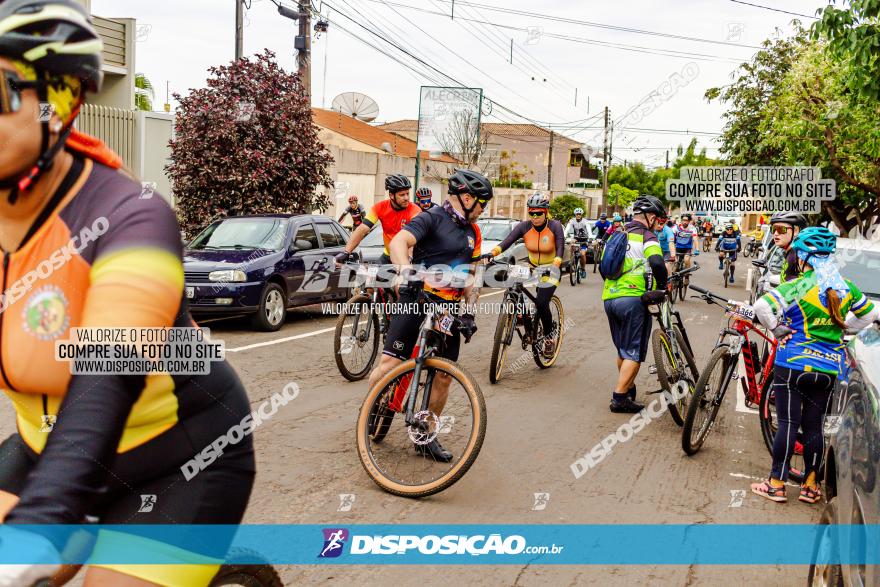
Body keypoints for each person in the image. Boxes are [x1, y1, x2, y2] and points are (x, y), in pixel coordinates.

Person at [0, 2, 256, 585]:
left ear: (57, 104)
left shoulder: (130, 216)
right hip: (45, 449)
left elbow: (110, 368)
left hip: (178, 458)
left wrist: (41, 524)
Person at [368, 169, 492, 462]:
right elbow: (399, 243)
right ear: (466, 197)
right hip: (417, 296)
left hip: (447, 308)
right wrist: (403, 273)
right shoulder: (432, 217)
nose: (483, 210)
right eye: (481, 203)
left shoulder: (473, 232)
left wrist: (470, 313)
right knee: (388, 365)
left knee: (444, 377)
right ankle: (372, 408)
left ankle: (425, 435)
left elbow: (472, 276)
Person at [751, 227, 878, 504]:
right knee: (814, 426)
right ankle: (810, 487)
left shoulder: (799, 285)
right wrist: (845, 331)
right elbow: (871, 315)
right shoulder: (845, 287)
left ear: (804, 257)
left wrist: (777, 329)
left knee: (786, 422)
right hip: (829, 367)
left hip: (794, 363)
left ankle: (776, 484)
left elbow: (762, 307)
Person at [601, 195, 669, 413]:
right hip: (633, 299)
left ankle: (628, 388)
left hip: (610, 298)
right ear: (649, 217)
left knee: (623, 350)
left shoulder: (617, 233)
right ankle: (619, 398)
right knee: (634, 352)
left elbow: (605, 266)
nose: (657, 223)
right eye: (656, 219)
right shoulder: (647, 236)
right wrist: (662, 285)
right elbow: (658, 262)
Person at [491, 194, 565, 356]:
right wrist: (492, 253)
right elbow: (507, 241)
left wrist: (556, 263)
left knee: (541, 303)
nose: (535, 217)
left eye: (539, 213)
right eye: (532, 213)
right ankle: (520, 315)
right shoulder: (524, 227)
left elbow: (560, 246)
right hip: (532, 265)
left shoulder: (555, 226)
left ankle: (548, 338)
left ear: (546, 212)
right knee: (513, 282)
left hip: (551, 267)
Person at [335, 173, 420, 265]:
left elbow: (412, 237)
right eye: (402, 195)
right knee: (374, 277)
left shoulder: (415, 210)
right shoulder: (380, 208)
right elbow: (362, 229)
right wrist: (346, 252)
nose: (407, 198)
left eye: (407, 193)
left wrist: (409, 258)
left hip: (409, 257)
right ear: (391, 195)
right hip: (388, 255)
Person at [768, 212, 808, 283]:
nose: (776, 233)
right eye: (773, 229)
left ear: (796, 231)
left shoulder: (800, 256)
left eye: (780, 229)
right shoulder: (789, 252)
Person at [566, 207, 591, 278]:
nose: (578, 215)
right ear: (575, 214)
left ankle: (583, 269)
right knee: (571, 246)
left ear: (581, 214)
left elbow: (589, 229)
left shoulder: (585, 221)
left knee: (583, 254)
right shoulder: (572, 221)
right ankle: (572, 261)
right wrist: (564, 236)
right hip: (576, 239)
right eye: (577, 214)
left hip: (584, 239)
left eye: (579, 214)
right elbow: (567, 229)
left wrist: (590, 237)